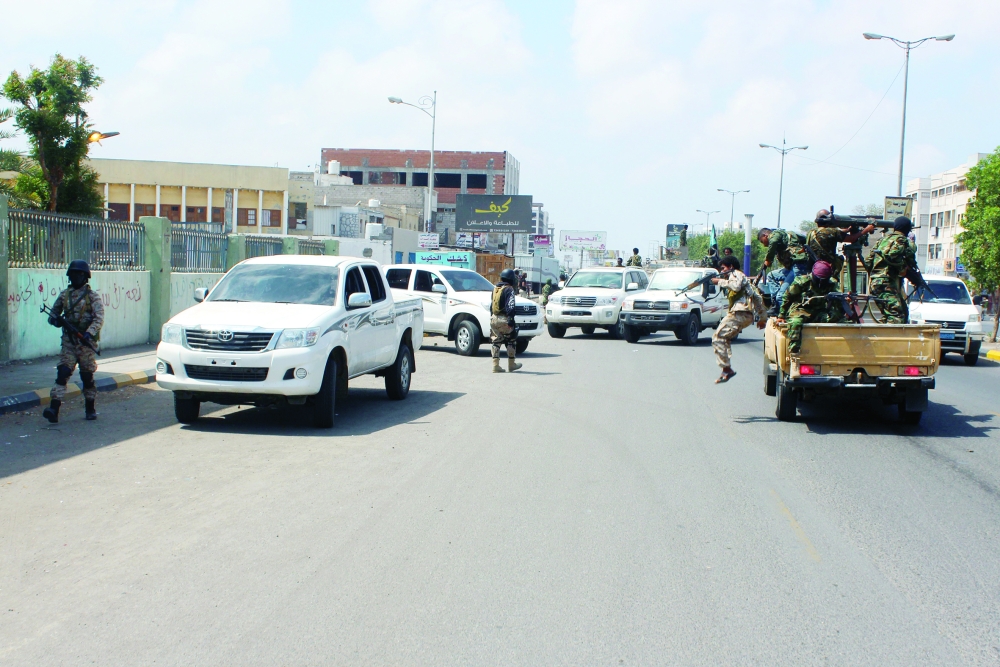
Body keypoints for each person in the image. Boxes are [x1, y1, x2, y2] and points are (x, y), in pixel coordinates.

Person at [42, 260, 105, 423]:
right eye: (73, 274)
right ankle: (54, 409)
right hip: (69, 342)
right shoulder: (65, 295)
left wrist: (89, 333)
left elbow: (99, 318)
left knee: (87, 376)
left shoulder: (92, 296)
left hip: (85, 343)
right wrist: (56, 321)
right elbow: (53, 314)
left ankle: (90, 408)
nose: (75, 277)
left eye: (79, 274)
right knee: (62, 373)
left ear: (85, 276)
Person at [711, 256, 767, 383]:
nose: (722, 271)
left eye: (723, 268)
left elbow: (735, 286)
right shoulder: (743, 279)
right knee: (723, 338)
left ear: (730, 267)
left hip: (740, 312)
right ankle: (726, 368)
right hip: (745, 314)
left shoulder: (735, 274)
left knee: (718, 337)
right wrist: (762, 318)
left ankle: (726, 369)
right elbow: (757, 297)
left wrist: (719, 281)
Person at [776, 260, 844, 355]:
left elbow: (839, 297)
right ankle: (794, 349)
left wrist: (844, 303)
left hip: (819, 312)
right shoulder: (802, 282)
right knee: (796, 322)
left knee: (838, 318)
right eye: (819, 279)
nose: (821, 282)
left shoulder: (832, 283)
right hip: (801, 311)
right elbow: (787, 297)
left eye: (824, 280)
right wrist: (781, 315)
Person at [868, 216, 919, 324]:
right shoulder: (902, 240)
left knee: (896, 314)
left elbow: (868, 261)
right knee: (897, 317)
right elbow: (899, 257)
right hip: (887, 284)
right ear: (907, 229)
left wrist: (876, 274)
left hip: (875, 283)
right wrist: (902, 269)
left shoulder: (882, 240)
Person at [758, 227, 811, 315]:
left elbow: (774, 241)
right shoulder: (781, 242)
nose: (764, 245)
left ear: (765, 235)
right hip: (792, 268)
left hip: (799, 266)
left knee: (781, 295)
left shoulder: (776, 234)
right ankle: (776, 304)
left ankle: (782, 314)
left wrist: (768, 259)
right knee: (771, 275)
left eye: (762, 241)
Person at [806, 211, 875, 277]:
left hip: (814, 269)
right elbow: (852, 238)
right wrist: (867, 229)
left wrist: (848, 230)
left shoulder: (811, 232)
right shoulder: (832, 232)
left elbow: (833, 234)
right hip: (827, 269)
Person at [491, 268, 522, 373]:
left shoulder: (495, 289)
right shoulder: (509, 289)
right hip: (504, 319)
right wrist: (511, 319)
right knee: (511, 339)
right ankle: (511, 364)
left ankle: (495, 365)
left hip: (494, 318)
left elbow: (492, 305)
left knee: (496, 341)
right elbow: (511, 305)